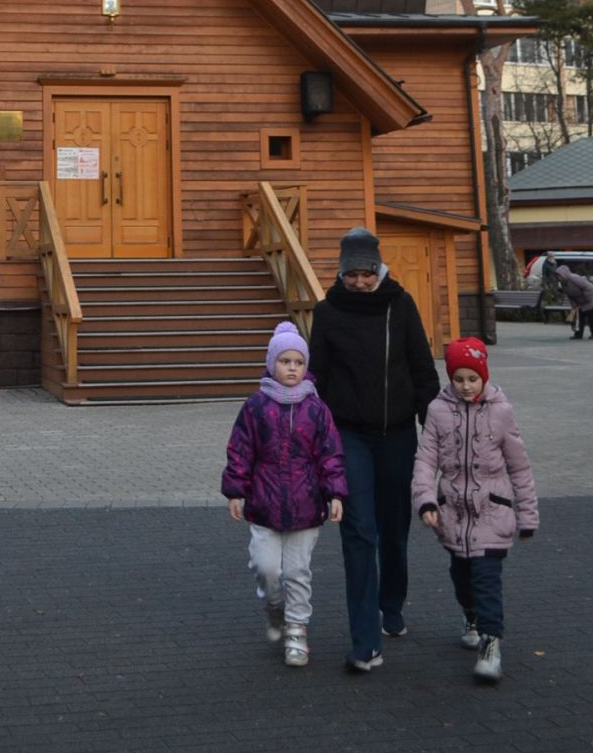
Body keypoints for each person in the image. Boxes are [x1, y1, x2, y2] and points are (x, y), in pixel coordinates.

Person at [308, 227, 440, 672]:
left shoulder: (400, 305)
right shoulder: (326, 313)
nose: (360, 282)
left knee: (393, 527)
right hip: (349, 436)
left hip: (399, 433)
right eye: (352, 275)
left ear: (378, 270)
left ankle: (392, 601)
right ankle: (365, 641)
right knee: (359, 531)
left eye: (367, 274)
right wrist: (317, 440)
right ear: (341, 272)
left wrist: (437, 431)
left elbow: (422, 368)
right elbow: (317, 379)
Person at [412, 337, 539, 684]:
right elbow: (426, 459)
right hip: (453, 514)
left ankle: (491, 643)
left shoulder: (501, 412)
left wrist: (527, 516)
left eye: (473, 378)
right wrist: (425, 500)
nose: (466, 386)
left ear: (484, 375)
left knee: (486, 580)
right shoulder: (437, 410)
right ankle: (470, 614)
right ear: (450, 378)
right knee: (462, 579)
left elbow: (520, 467)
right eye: (458, 379)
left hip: (491, 513)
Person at [221, 320, 348, 667]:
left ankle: (297, 629)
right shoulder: (256, 406)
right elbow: (240, 450)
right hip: (264, 504)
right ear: (271, 364)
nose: (292, 369)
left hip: (306, 505)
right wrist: (235, 489)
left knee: (297, 571)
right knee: (266, 568)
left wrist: (336, 493)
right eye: (285, 362)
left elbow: (330, 453)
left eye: (298, 363)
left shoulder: (316, 408)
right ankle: (274, 607)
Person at [549, 258, 593, 339]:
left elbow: (586, 287)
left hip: (591, 298)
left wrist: (587, 299)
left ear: (564, 274)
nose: (558, 277)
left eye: (559, 275)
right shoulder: (564, 284)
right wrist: (574, 306)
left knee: (592, 317)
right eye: (557, 276)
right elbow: (570, 296)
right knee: (579, 318)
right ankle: (578, 334)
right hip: (581, 302)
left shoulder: (574, 278)